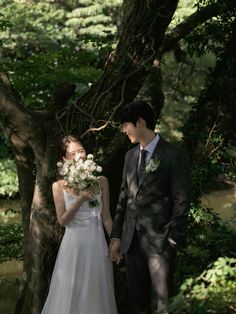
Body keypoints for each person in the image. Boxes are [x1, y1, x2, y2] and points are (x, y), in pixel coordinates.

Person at [109, 101, 190, 314]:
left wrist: (172, 238)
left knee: (165, 305)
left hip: (161, 242)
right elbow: (123, 198)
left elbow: (181, 200)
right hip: (131, 243)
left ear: (140, 122)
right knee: (138, 305)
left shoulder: (173, 154)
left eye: (126, 125)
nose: (124, 130)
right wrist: (116, 237)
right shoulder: (130, 156)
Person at [41, 135, 117, 314]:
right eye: (72, 153)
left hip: (97, 245)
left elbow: (106, 216)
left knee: (96, 294)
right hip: (73, 247)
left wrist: (114, 241)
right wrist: (80, 200)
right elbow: (62, 220)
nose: (79, 156)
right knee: (70, 295)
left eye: (81, 150)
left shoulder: (101, 181)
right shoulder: (58, 186)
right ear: (64, 158)